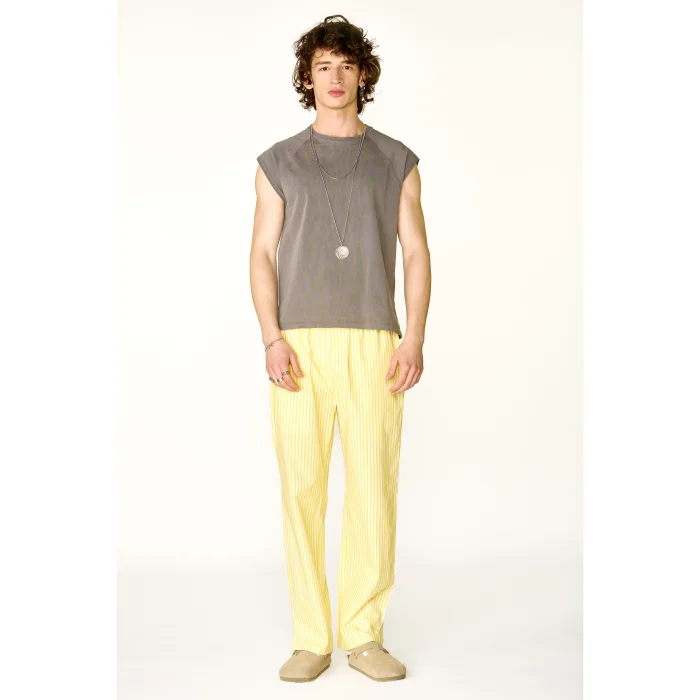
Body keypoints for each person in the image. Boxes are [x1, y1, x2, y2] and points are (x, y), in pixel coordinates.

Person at [249, 14, 431, 683]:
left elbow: (416, 253)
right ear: (307, 77)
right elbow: (261, 253)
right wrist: (272, 337)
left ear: (363, 76)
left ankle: (364, 634)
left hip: (375, 341)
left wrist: (414, 336)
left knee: (373, 488)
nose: (335, 77)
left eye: (346, 66)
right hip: (298, 343)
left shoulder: (396, 160)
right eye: (323, 66)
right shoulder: (278, 162)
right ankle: (310, 636)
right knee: (301, 488)